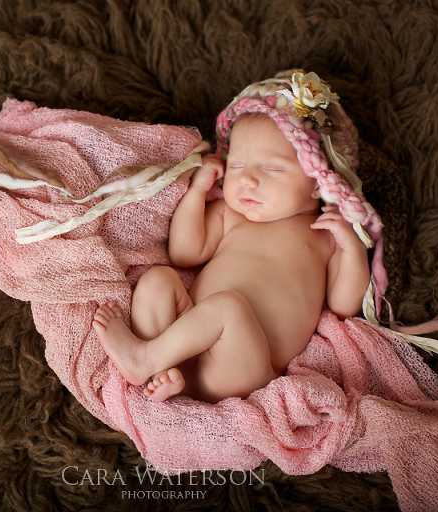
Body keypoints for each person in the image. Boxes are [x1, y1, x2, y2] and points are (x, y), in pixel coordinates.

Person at [93, 70, 382, 403]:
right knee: (158, 279)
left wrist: (351, 247)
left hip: (242, 365)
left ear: (320, 181)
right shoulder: (232, 216)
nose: (248, 180)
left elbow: (344, 306)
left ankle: (144, 358)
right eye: (238, 166)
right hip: (184, 348)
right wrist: (197, 192)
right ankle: (160, 367)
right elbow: (185, 255)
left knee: (228, 308)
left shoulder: (325, 236)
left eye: (271, 168)